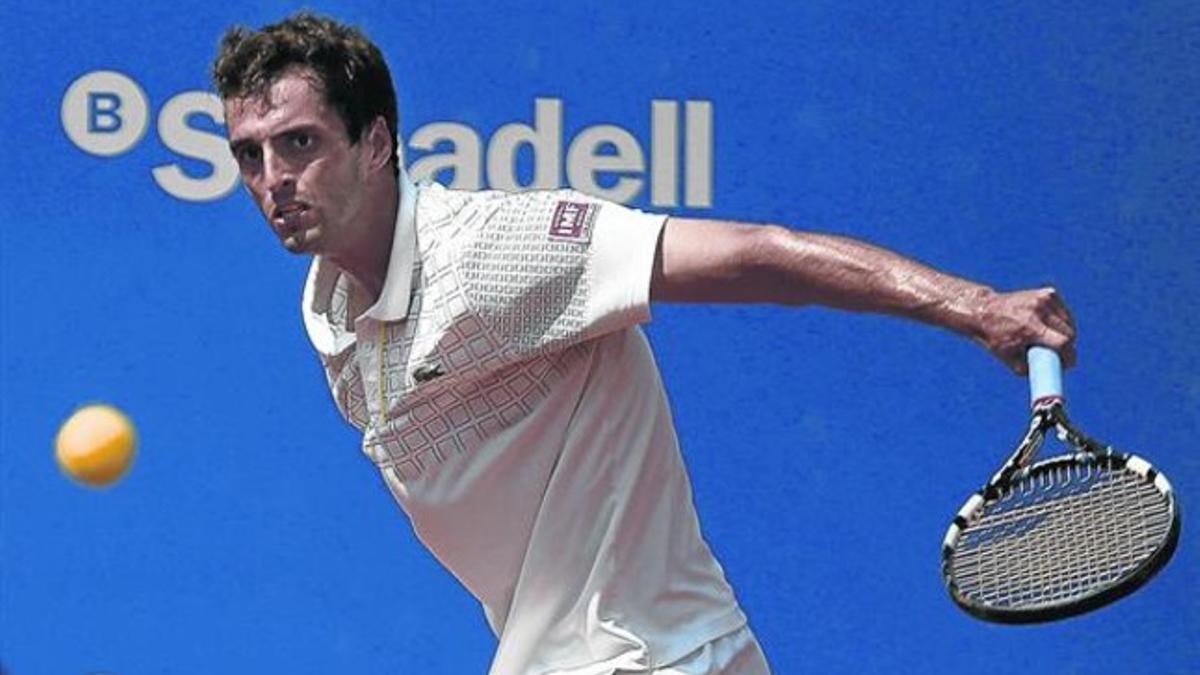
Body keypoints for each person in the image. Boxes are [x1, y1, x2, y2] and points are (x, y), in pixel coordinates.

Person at [212, 12, 1075, 675]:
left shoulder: (497, 251)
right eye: (250, 155)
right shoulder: (327, 308)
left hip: (651, 655)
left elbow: (760, 256)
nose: (274, 180)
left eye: (299, 144)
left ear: (376, 143)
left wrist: (975, 305)